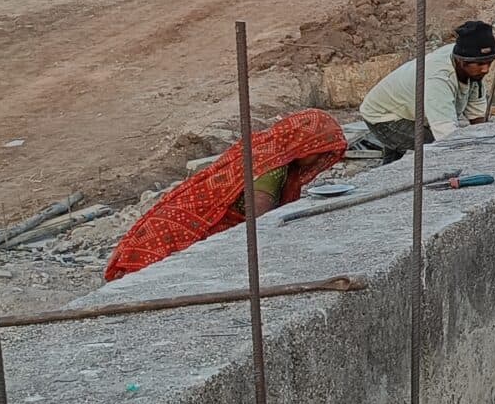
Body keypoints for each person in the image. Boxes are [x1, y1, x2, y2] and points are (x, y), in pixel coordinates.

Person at [105, 110, 348, 280]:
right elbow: (259, 223)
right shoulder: (271, 168)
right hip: (175, 233)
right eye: (320, 151)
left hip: (169, 222)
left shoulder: (264, 147)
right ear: (305, 143)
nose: (319, 160)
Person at [359, 20, 495, 162]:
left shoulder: (468, 58)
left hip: (404, 106)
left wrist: (487, 142)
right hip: (383, 116)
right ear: (462, 61)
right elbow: (446, 136)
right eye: (480, 64)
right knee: (434, 146)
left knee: (392, 165)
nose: (486, 69)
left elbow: (477, 116)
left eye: (489, 62)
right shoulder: (439, 78)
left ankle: (386, 177)